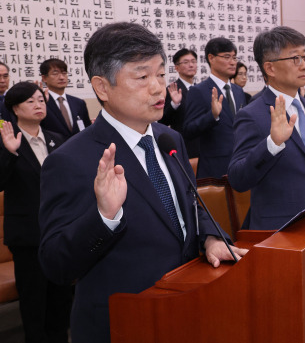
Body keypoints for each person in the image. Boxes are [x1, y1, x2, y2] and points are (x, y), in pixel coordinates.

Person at [38, 22, 246, 343]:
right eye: (142, 76)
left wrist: (209, 238)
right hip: (123, 325)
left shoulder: (169, 137)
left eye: (161, 74)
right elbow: (56, 266)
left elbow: (190, 204)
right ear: (102, 87)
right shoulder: (71, 160)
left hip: (187, 308)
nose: (158, 88)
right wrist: (104, 218)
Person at [228, 26, 305, 231]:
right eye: (295, 59)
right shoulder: (252, 115)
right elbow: (237, 179)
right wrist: (272, 144)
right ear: (270, 68)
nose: (304, 66)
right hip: (282, 231)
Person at [0, 82, 71, 343]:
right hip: (28, 237)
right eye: (30, 101)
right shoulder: (6, 141)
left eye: (41, 99)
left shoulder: (58, 139)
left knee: (60, 299)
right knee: (34, 303)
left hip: (59, 234)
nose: (39, 104)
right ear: (15, 108)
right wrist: (9, 153)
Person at [183, 37, 246, 178]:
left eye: (234, 57)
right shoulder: (198, 91)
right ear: (211, 58)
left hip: (241, 164)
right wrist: (212, 116)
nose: (232, 62)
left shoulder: (238, 91)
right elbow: (188, 130)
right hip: (215, 169)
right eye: (227, 57)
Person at [159, 48, 201, 158]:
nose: (191, 65)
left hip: (204, 146)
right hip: (185, 146)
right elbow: (162, 121)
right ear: (176, 68)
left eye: (193, 61)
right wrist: (174, 104)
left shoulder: (200, 90)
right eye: (186, 62)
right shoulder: (171, 90)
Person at [39, 58, 92, 140]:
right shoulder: (42, 103)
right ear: (44, 78)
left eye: (64, 73)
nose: (61, 77)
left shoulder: (79, 103)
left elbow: (87, 129)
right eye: (55, 74)